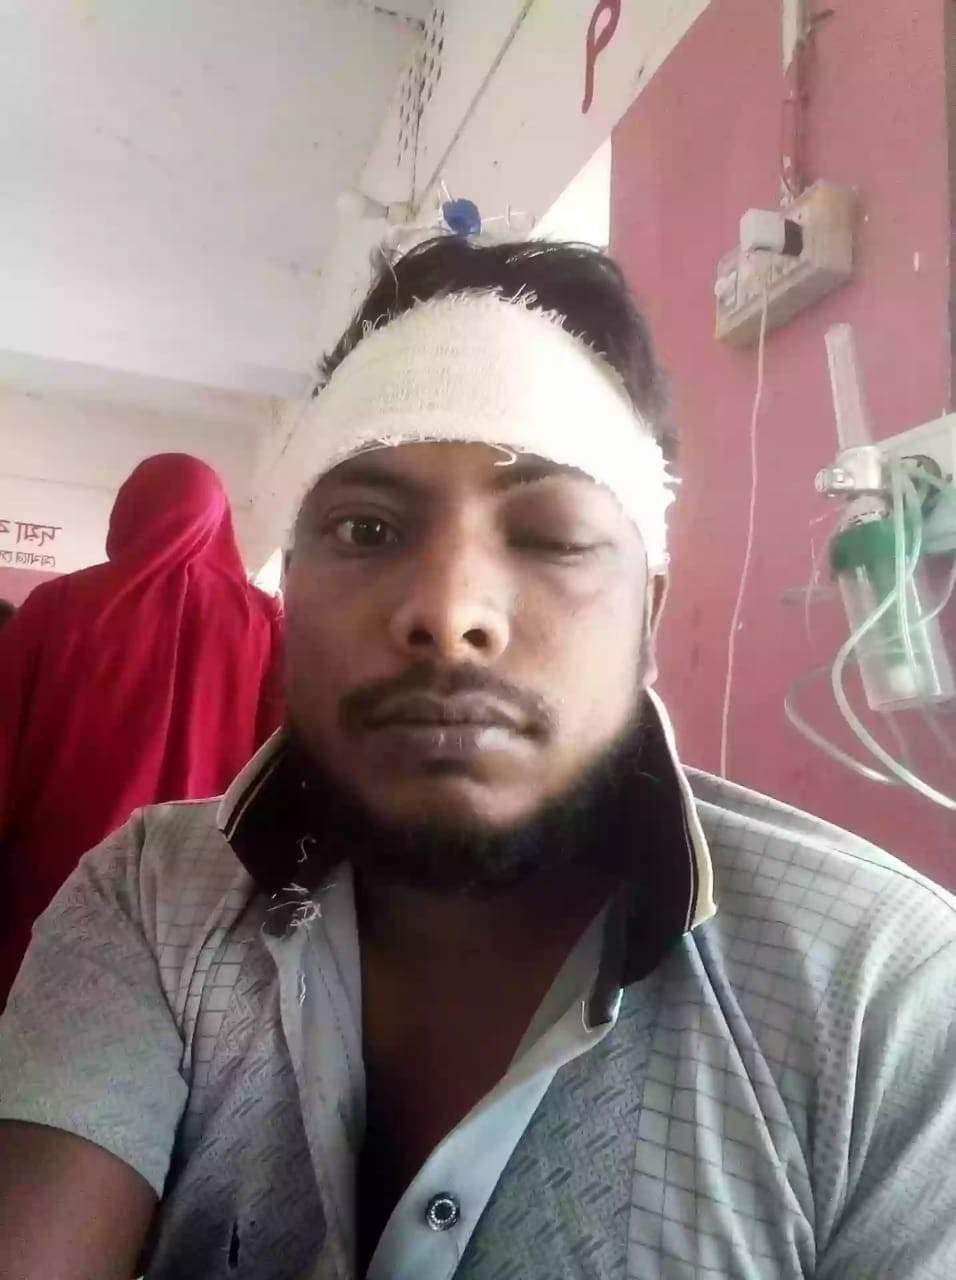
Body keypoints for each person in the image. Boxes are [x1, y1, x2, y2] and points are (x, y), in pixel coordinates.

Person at [0, 240, 953, 1280]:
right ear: (290, 595)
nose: (449, 611)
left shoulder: (890, 1002)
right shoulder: (148, 900)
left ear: (647, 614)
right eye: (368, 528)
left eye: (550, 537)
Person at [0, 453, 283, 1006]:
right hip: (199, 890)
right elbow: (275, 759)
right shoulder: (262, 622)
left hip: (56, 867)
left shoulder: (58, 604)